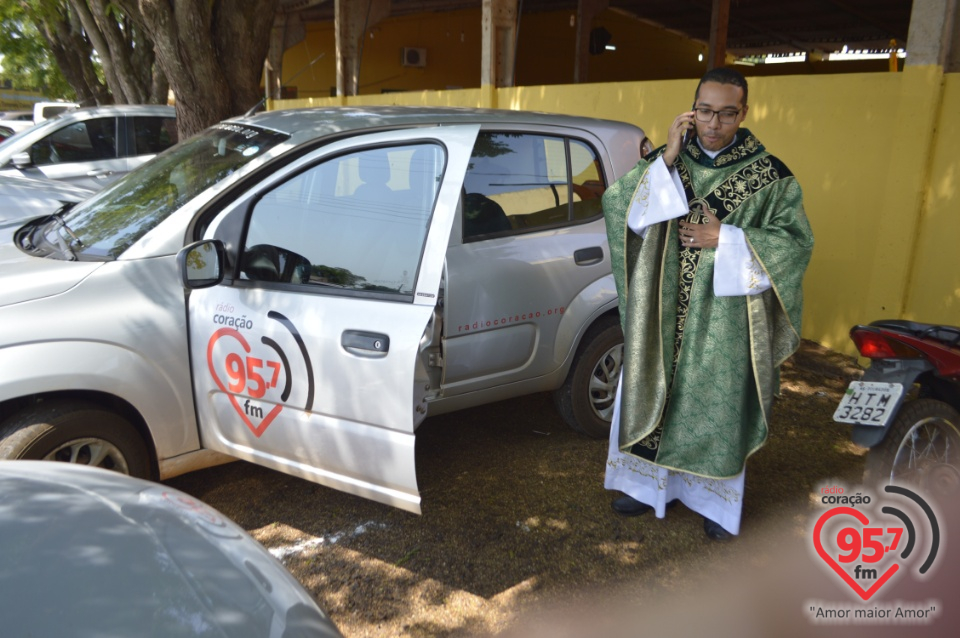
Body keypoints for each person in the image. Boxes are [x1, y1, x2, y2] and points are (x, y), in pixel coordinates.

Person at [601, 67, 814, 541]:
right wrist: (667, 160)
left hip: (724, 316)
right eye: (704, 110)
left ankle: (714, 505)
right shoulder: (671, 159)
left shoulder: (771, 176)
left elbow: (795, 244)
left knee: (714, 404)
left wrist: (728, 236)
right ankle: (646, 487)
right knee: (654, 388)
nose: (713, 123)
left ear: (744, 112)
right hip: (662, 306)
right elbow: (619, 207)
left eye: (726, 113)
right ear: (691, 108)